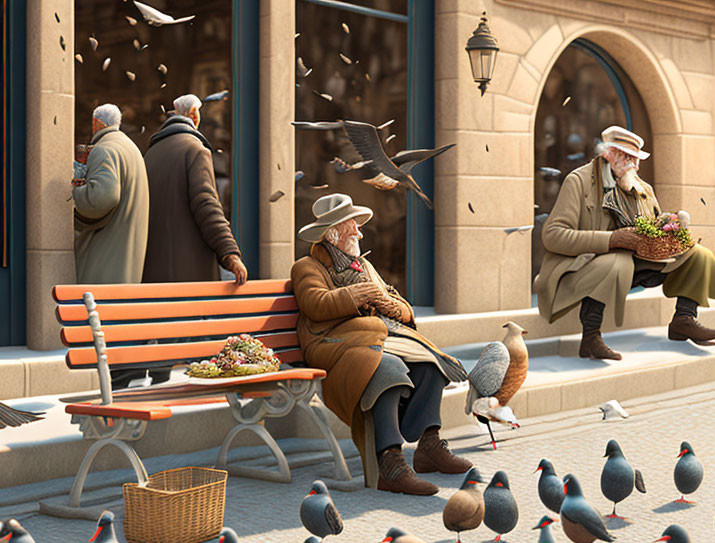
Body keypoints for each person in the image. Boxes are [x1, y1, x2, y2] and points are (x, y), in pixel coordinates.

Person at [291, 194, 472, 496]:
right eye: (353, 228)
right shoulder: (307, 267)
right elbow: (316, 304)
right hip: (336, 346)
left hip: (376, 338)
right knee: (388, 367)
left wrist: (392, 305)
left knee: (429, 363)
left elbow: (396, 301)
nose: (360, 233)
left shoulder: (363, 265)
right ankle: (389, 462)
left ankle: (428, 445)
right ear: (333, 233)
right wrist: (360, 296)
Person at [534, 126, 715, 360]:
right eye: (626, 156)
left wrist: (667, 224)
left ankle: (683, 320)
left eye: (635, 158)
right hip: (586, 265)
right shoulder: (579, 181)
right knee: (616, 262)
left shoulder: (642, 188)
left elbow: (653, 224)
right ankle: (591, 337)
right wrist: (612, 240)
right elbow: (553, 235)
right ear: (608, 153)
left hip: (642, 261)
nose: (633, 164)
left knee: (699, 255)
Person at [141, 94, 247, 284]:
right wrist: (229, 253)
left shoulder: (150, 154)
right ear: (194, 116)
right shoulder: (196, 150)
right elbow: (206, 205)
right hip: (188, 272)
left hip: (153, 273)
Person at [73, 103, 149, 284]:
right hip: (126, 255)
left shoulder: (103, 149)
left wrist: (76, 192)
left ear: (96, 123)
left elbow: (101, 198)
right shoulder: (131, 147)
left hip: (105, 257)